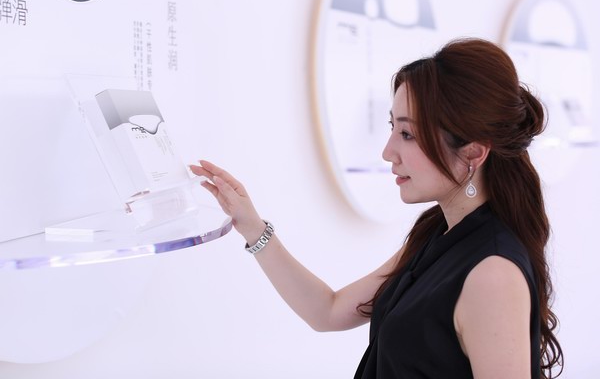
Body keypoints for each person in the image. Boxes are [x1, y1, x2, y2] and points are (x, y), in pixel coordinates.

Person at [190, 38, 563, 379]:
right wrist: (253, 227)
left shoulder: (493, 274)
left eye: (407, 134)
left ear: (473, 153)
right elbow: (328, 311)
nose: (388, 152)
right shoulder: (436, 233)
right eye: (393, 127)